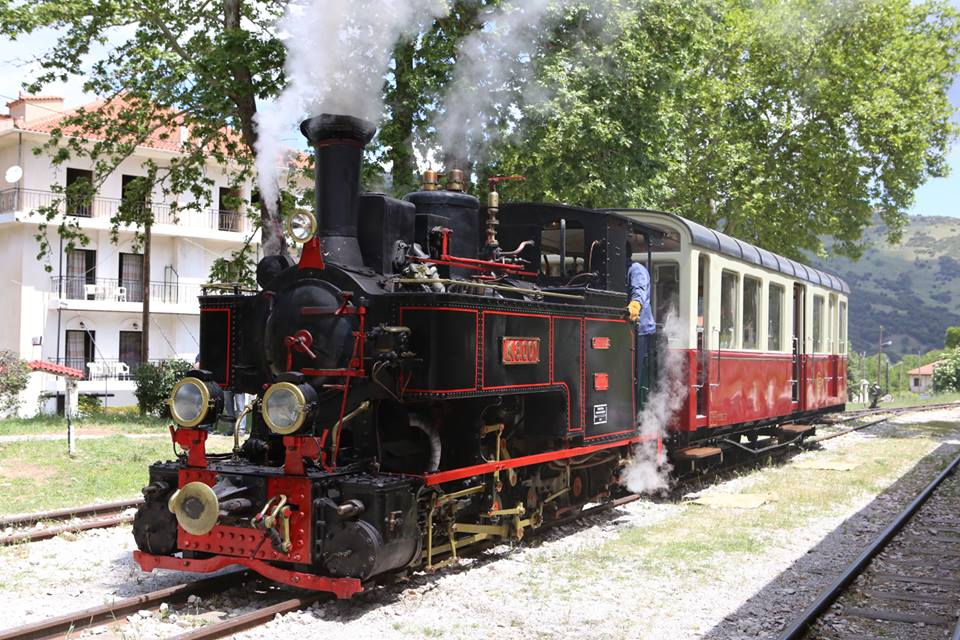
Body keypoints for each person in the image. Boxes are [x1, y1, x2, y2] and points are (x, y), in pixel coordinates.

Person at [626, 239, 656, 391]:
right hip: (625, 327)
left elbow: (639, 291)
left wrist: (635, 304)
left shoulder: (636, 269)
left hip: (641, 329)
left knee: (633, 373)